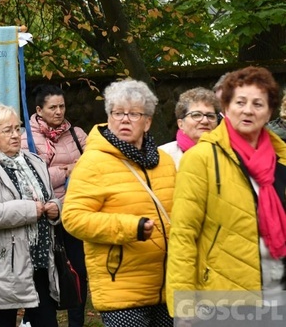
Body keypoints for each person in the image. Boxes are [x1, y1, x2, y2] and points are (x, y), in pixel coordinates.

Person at [167, 66, 286, 318]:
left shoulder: (282, 159)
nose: (248, 110)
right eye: (239, 102)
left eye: (258, 103)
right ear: (226, 107)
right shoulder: (200, 159)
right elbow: (183, 236)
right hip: (224, 297)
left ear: (269, 112)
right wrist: (183, 308)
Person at [62, 79, 175, 326]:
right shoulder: (93, 162)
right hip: (121, 287)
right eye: (118, 113)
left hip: (170, 286)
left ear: (148, 122)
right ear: (109, 117)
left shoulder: (165, 161)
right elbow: (73, 218)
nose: (125, 119)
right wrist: (130, 227)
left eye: (134, 114)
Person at [0, 104, 61, 326]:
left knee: (47, 322)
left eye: (18, 129)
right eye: (7, 130)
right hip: (3, 266)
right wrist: (29, 210)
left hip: (40, 261)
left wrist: (55, 208)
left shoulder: (34, 162)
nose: (16, 135)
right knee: (2, 323)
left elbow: (48, 197)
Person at [21, 84, 88, 327]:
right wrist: (68, 169)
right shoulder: (25, 137)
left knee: (79, 271)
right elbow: (29, 178)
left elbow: (92, 168)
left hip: (73, 209)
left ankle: (76, 323)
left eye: (62, 106)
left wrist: (64, 171)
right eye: (53, 107)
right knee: (43, 273)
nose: (59, 112)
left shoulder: (77, 134)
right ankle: (38, 321)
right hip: (42, 214)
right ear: (39, 110)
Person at [159, 87, 220, 168]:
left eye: (210, 116)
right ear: (180, 124)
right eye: (196, 115)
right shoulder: (163, 155)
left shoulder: (227, 154)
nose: (205, 121)